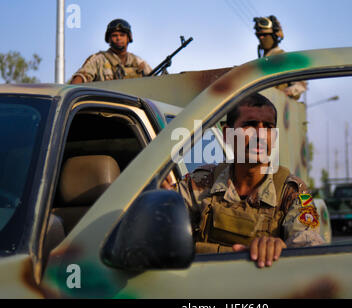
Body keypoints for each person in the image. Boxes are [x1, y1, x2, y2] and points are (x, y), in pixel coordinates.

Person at [178, 93, 324, 268]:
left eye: (268, 127)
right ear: (227, 134)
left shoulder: (295, 191)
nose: (260, 135)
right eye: (250, 125)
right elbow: (162, 228)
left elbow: (312, 246)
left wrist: (283, 249)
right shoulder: (200, 182)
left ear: (275, 137)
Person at [70, 19, 152, 84]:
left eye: (122, 35)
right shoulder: (99, 60)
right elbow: (80, 78)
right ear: (109, 39)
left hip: (133, 104)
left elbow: (154, 81)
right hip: (108, 104)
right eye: (114, 35)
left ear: (128, 38)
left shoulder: (138, 62)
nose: (118, 38)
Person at [253, 15, 307, 100]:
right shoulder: (262, 61)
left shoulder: (284, 59)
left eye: (264, 35)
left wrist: (280, 95)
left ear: (274, 36)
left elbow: (300, 86)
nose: (261, 38)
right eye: (259, 35)